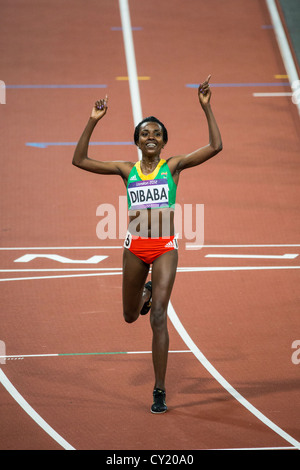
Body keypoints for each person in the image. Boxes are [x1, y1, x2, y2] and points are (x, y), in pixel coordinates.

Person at [72, 75, 222, 413]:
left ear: (164, 141)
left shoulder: (174, 166)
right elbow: (79, 161)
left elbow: (215, 147)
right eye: (145, 133)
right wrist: (92, 121)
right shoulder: (127, 170)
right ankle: (145, 291)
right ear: (138, 142)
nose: (151, 136)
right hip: (135, 247)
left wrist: (206, 107)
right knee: (128, 316)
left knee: (158, 318)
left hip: (165, 246)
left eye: (156, 133)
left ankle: (159, 389)